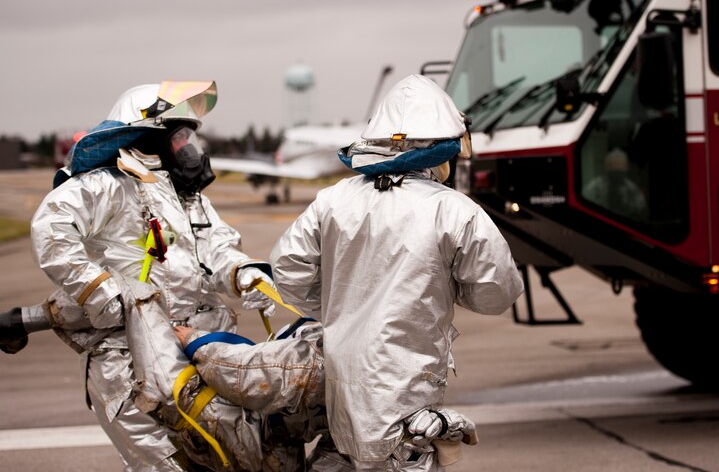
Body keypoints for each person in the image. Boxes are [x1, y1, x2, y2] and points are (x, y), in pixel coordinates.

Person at [0, 81, 281, 471]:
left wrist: (242, 273)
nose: (189, 150)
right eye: (180, 138)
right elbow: (51, 229)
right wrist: (100, 292)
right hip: (128, 364)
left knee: (226, 458)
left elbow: (217, 248)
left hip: (193, 349)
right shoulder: (107, 185)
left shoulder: (189, 199)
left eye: (189, 139)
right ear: (149, 138)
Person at [269, 74, 525, 471]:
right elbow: (498, 293)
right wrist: (450, 289)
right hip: (407, 392)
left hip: (339, 384)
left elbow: (288, 270)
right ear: (442, 150)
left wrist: (340, 306)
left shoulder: (331, 200)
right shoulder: (455, 209)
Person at [582, 147, 647, 219]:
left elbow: (641, 208)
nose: (617, 177)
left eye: (620, 173)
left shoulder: (631, 188)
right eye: (614, 173)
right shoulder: (595, 186)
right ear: (607, 170)